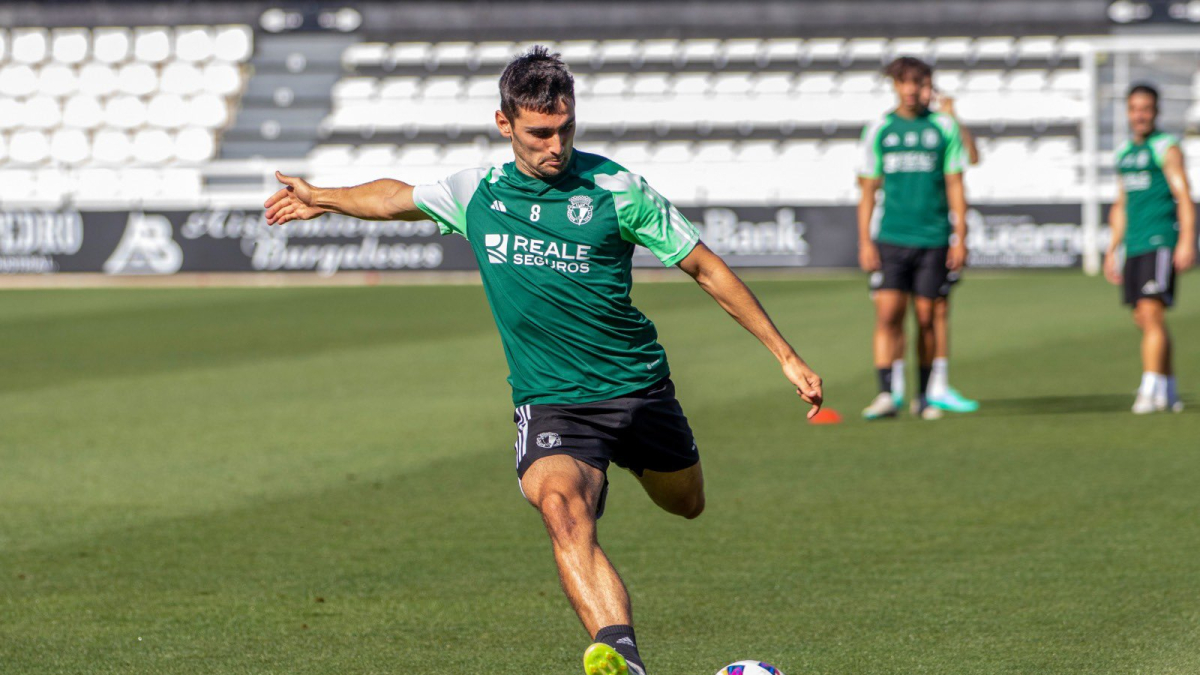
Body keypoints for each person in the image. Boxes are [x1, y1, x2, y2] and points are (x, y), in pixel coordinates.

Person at [263, 47, 823, 675]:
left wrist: (785, 356)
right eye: (539, 133)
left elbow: (706, 267)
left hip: (638, 390)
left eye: (566, 129)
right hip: (553, 401)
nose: (556, 146)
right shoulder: (477, 192)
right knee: (562, 508)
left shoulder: (617, 190)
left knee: (686, 502)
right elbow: (396, 198)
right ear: (505, 124)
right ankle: (624, 660)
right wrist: (323, 197)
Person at [856, 56, 969, 421]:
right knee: (888, 315)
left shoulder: (943, 127)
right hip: (891, 237)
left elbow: (955, 182)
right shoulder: (880, 128)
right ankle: (886, 394)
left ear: (927, 87)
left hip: (933, 238)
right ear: (895, 86)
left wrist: (960, 236)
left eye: (918, 83)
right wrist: (865, 241)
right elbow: (868, 189)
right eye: (903, 82)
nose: (910, 89)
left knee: (926, 318)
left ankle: (924, 396)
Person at [886, 84, 980, 414]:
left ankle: (936, 386)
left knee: (936, 310)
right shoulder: (890, 125)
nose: (923, 92)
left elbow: (972, 158)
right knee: (895, 312)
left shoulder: (943, 125)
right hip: (899, 234)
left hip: (937, 233)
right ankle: (895, 388)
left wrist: (955, 118)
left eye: (927, 86)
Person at [1104, 83, 1195, 413]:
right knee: (1143, 317)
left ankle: (1149, 389)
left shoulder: (1165, 148)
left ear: (1156, 111)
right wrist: (1112, 248)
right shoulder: (1124, 153)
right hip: (1134, 243)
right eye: (1134, 109)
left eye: (1145, 109)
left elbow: (1184, 196)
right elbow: (1121, 203)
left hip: (1160, 240)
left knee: (1152, 311)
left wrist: (1187, 240)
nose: (1139, 115)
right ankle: (1168, 389)